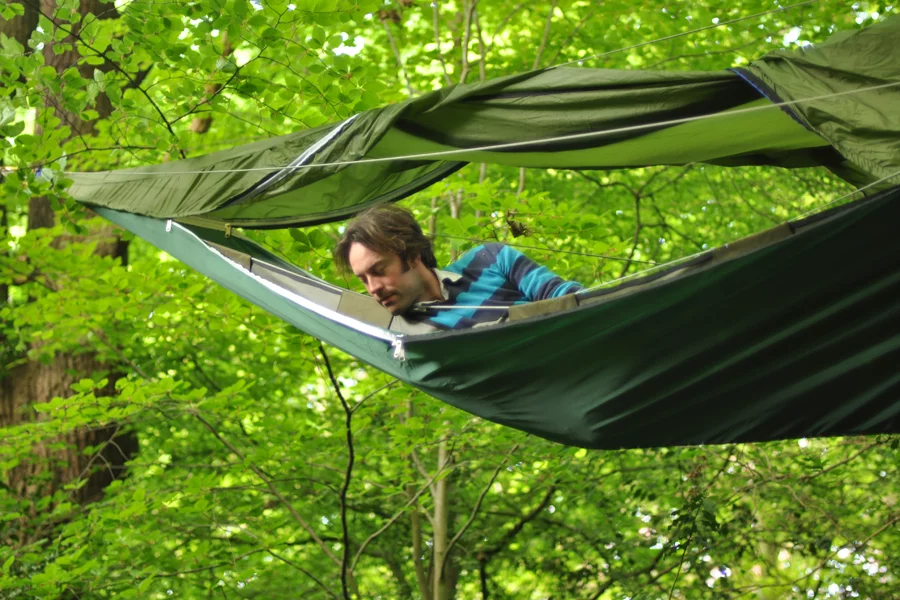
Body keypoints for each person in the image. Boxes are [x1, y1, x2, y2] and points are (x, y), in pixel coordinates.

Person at [333, 205, 583, 331]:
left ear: (412, 255)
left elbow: (568, 298)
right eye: (363, 279)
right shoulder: (404, 333)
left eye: (378, 270)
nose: (373, 288)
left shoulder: (490, 259)